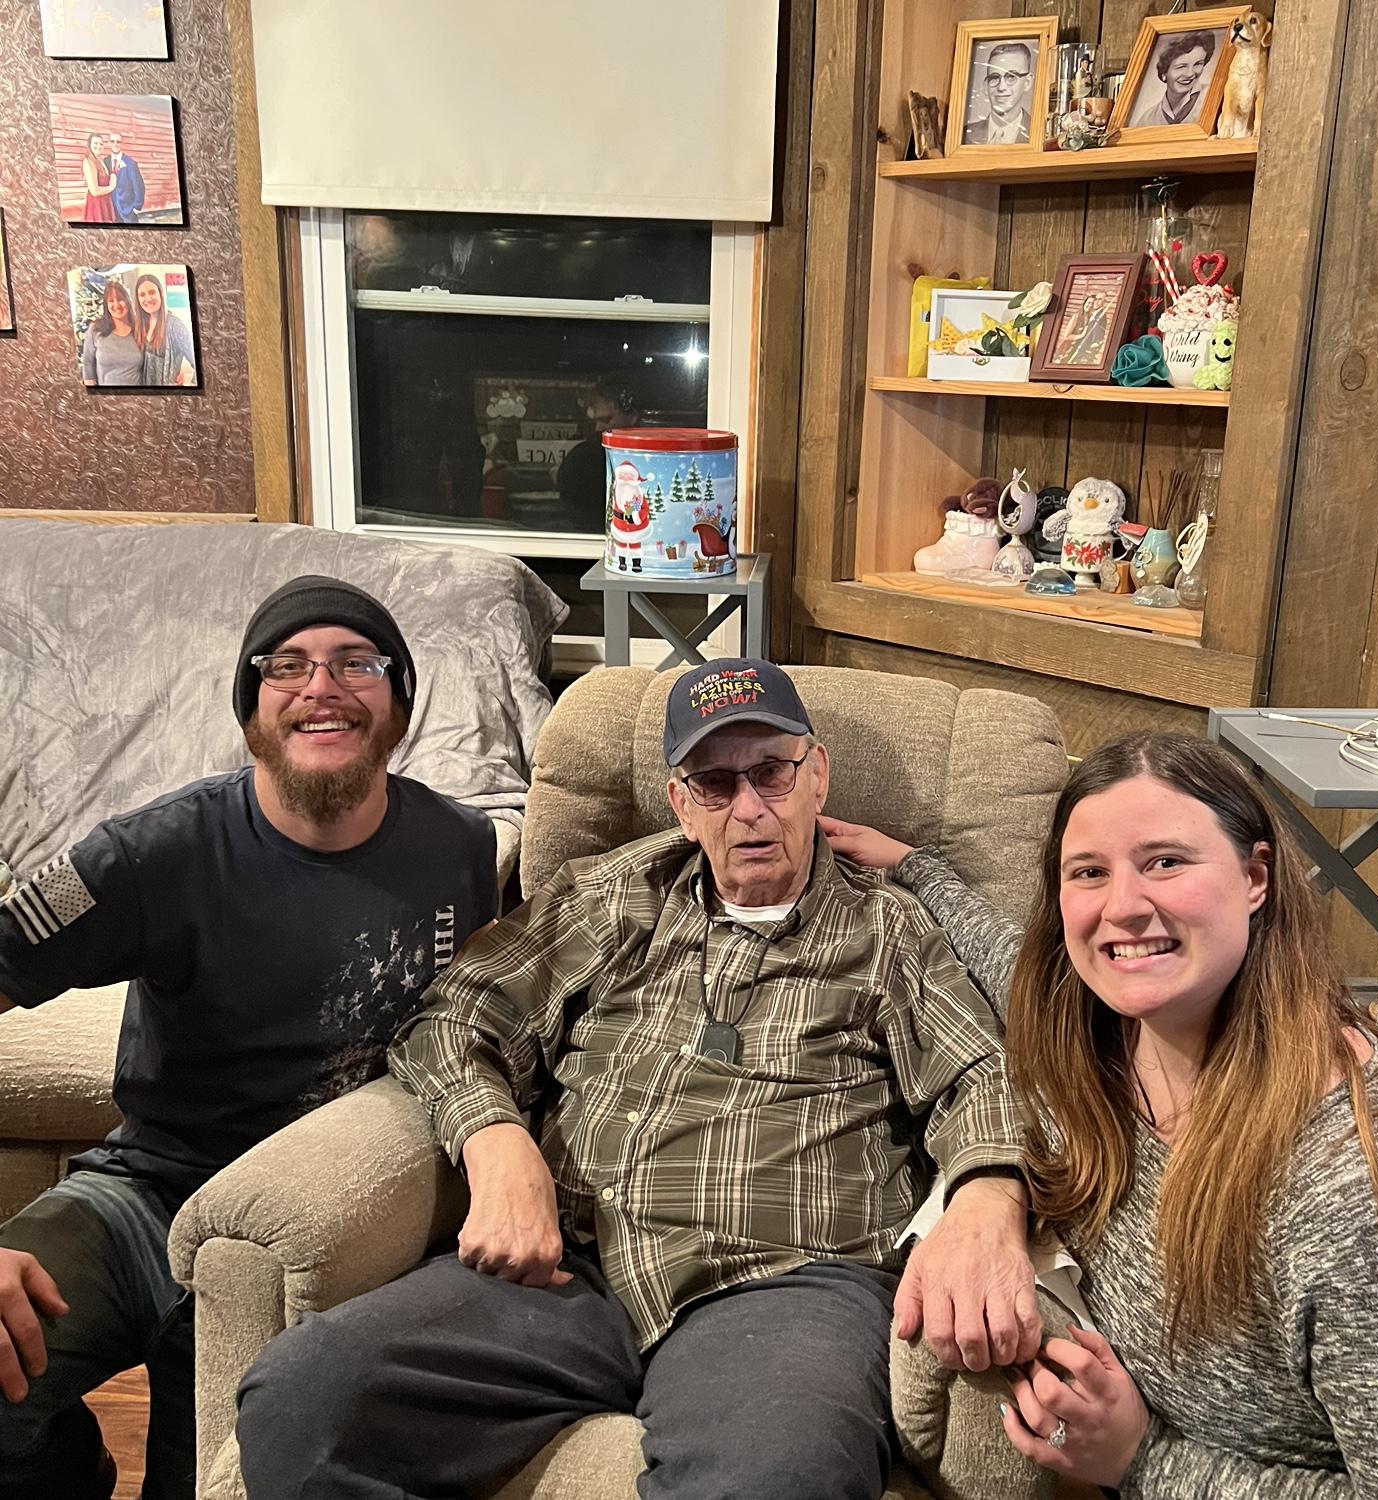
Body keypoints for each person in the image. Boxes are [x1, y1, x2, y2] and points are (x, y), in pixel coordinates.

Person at [236, 657, 1041, 1500]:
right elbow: (458, 1013)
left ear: (817, 777)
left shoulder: (887, 928)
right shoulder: (616, 895)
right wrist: (494, 1141)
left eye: (772, 772)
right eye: (715, 783)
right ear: (681, 805)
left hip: (786, 1284)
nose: (750, 808)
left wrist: (987, 1199)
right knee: (303, 1401)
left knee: (779, 1479)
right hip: (568, 1267)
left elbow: (986, 1076)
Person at [823, 731, 1378, 1496]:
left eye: (1166, 862)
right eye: (1089, 872)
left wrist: (1143, 1459)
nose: (1122, 907)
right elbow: (1003, 953)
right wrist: (989, 1195)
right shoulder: (1098, 1025)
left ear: (1254, 877)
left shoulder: (1368, 1193)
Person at [0, 577, 500, 1500]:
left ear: (398, 706)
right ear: (250, 709)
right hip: (148, 1198)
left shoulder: (462, 848)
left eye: (357, 663)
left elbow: (477, 1029)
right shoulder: (146, 853)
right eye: (287, 666)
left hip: (324, 1231)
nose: (322, 688)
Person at [555, 377, 647, 532]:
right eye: (597, 421)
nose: (598, 427)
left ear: (633, 416)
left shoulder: (589, 457)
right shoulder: (586, 456)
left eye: (606, 420)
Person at [1134, 31, 1217, 129]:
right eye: (1181, 67)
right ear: (1164, 72)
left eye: (1198, 64)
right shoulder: (1147, 120)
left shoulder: (1215, 97)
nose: (1190, 74)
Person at [965, 41, 1034, 145]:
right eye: (994, 77)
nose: (1001, 87)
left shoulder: (1040, 133)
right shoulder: (964, 136)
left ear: (1027, 82)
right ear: (986, 85)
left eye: (1011, 77)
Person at [135, 272, 196, 387]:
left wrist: (192, 388)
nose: (148, 298)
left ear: (160, 294)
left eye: (152, 292)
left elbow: (198, 362)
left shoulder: (175, 326)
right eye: (142, 295)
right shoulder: (140, 325)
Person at [80, 278, 144, 387]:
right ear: (106, 305)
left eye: (120, 299)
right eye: (111, 301)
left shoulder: (139, 330)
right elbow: (88, 362)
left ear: (127, 301)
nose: (116, 305)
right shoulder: (95, 329)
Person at [106, 132, 145, 224]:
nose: (115, 144)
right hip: (111, 210)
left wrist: (136, 207)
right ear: (109, 143)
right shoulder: (105, 161)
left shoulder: (131, 163)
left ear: (122, 143)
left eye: (118, 142)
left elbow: (139, 186)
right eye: (112, 141)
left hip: (128, 211)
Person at [78, 132, 117, 224]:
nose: (98, 146)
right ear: (89, 144)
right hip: (97, 205)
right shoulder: (88, 161)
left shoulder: (100, 159)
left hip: (105, 203)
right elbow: (94, 191)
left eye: (101, 144)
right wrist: (112, 186)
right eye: (95, 143)